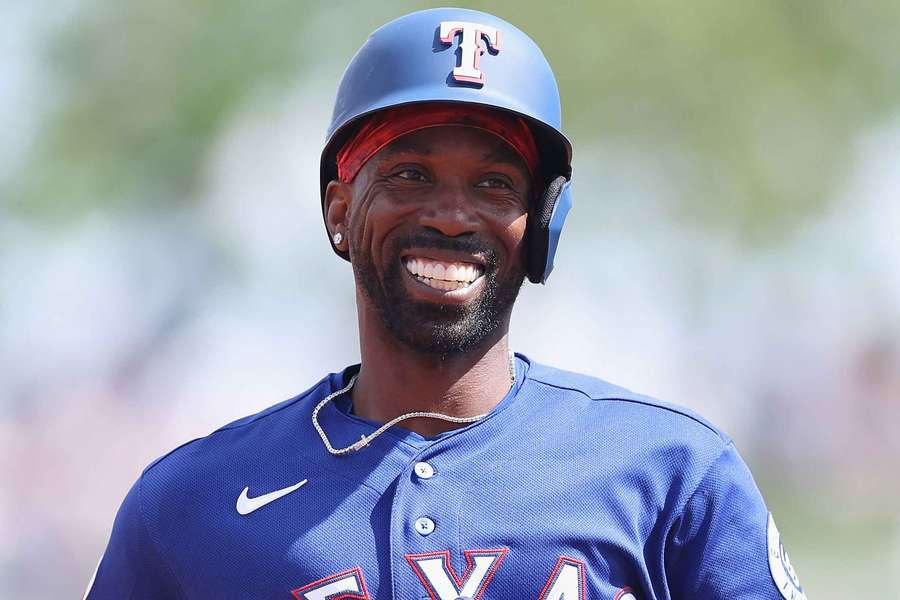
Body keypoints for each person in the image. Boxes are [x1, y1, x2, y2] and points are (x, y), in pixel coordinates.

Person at [85, 7, 806, 599]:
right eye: (409, 173)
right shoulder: (188, 504)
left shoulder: (671, 472)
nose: (453, 215)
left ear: (542, 224)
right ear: (340, 210)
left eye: (495, 184)